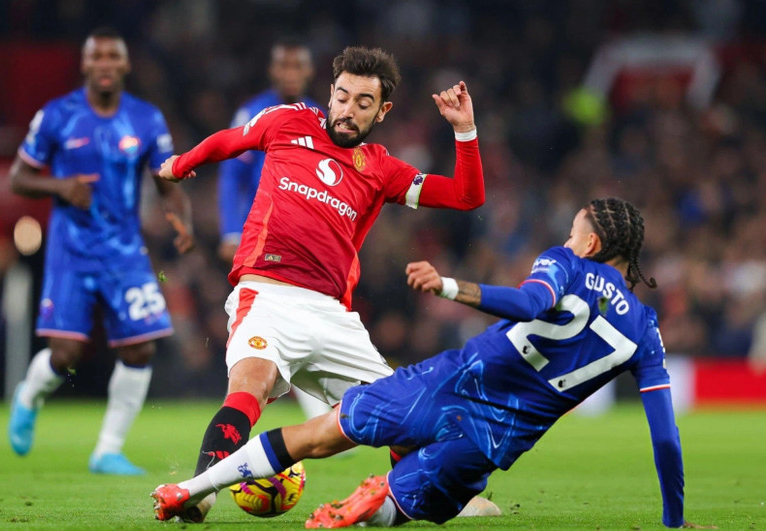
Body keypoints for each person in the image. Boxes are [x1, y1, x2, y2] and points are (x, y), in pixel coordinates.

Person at [151, 197, 714, 529]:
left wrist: (450, 286)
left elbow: (530, 303)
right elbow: (665, 438)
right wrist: (674, 520)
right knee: (411, 504)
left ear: (590, 244)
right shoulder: (646, 331)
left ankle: (193, 487)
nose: (568, 235)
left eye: (575, 230)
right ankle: (377, 499)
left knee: (320, 433)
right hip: (496, 435)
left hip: (451, 379)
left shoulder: (566, 261)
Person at [157, 46, 490, 520]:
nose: (348, 111)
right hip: (267, 292)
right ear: (329, 93)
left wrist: (464, 129)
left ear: (383, 110)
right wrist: (182, 163)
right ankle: (199, 492)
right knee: (252, 382)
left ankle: (438, 498)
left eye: (362, 103)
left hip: (333, 314)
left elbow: (466, 195)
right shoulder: (289, 122)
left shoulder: (381, 167)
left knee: (409, 419)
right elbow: (229, 142)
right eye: (342, 96)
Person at [7, 27, 194, 476]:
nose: (106, 63)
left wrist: (179, 216)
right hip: (70, 251)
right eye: (98, 56)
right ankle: (29, 395)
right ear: (86, 64)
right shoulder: (57, 115)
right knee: (65, 354)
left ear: (126, 65)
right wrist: (59, 185)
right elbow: (18, 177)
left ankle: (107, 449)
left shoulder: (146, 119)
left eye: (114, 55)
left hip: (125, 252)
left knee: (141, 350)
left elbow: (166, 180)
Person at [215, 37, 330, 422]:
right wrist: (230, 231)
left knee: (303, 319)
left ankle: (320, 413)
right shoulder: (252, 111)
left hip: (305, 237)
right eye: (285, 66)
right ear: (273, 70)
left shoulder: (322, 115)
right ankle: (247, 395)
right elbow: (231, 175)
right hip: (261, 237)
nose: (291, 73)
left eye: (298, 66)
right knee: (277, 319)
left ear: (310, 71)